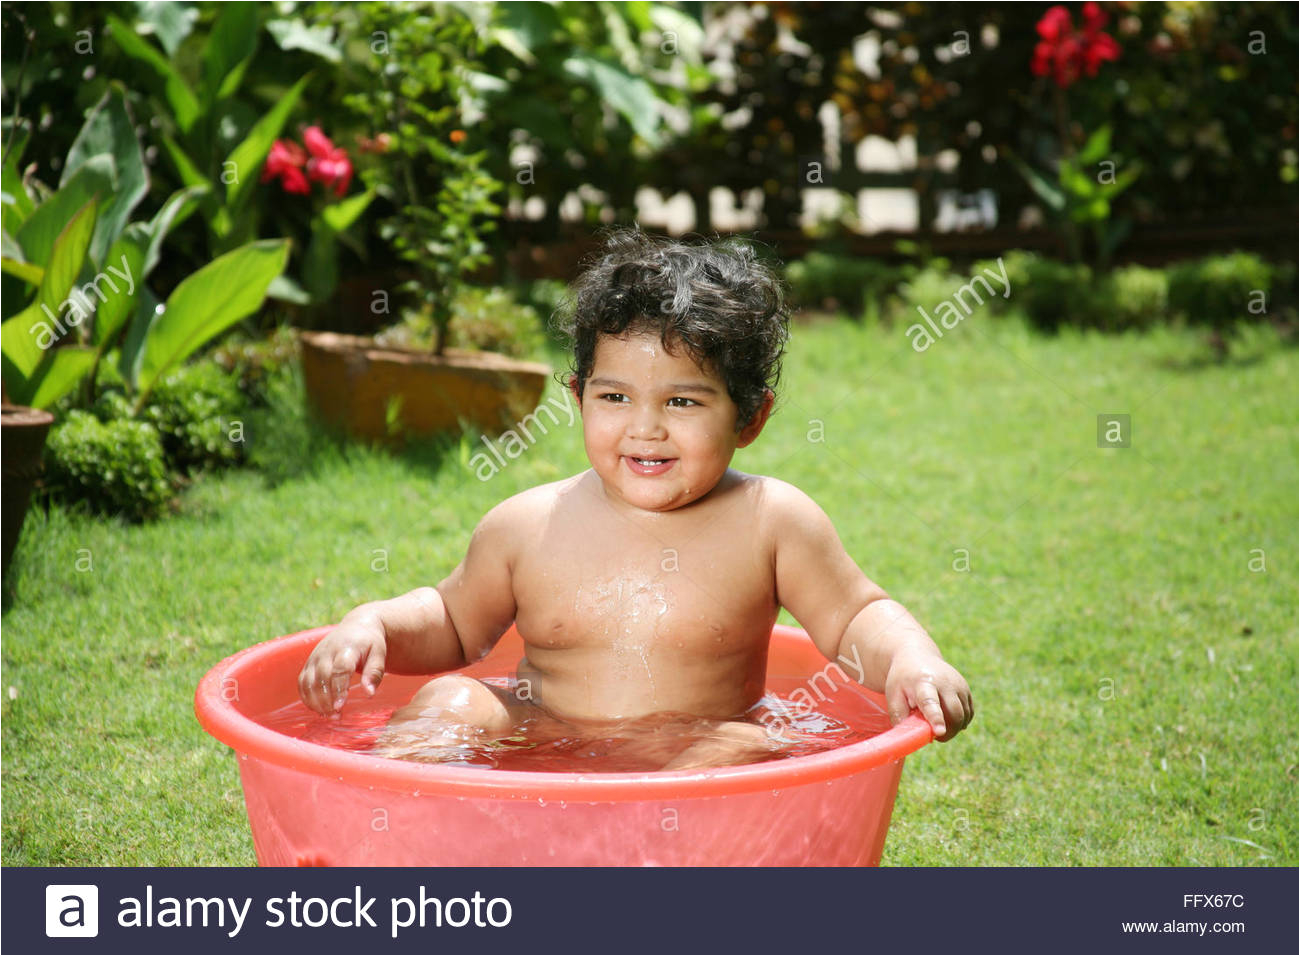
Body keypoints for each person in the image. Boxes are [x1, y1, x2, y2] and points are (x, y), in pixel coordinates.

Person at [298, 228, 973, 770]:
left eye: (682, 401)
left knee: (749, 745)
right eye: (615, 397)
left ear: (750, 417)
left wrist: (913, 660)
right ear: (578, 398)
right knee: (451, 700)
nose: (645, 427)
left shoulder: (772, 522)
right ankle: (415, 848)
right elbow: (451, 622)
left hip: (703, 742)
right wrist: (375, 623)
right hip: (543, 733)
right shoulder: (527, 526)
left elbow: (857, 617)